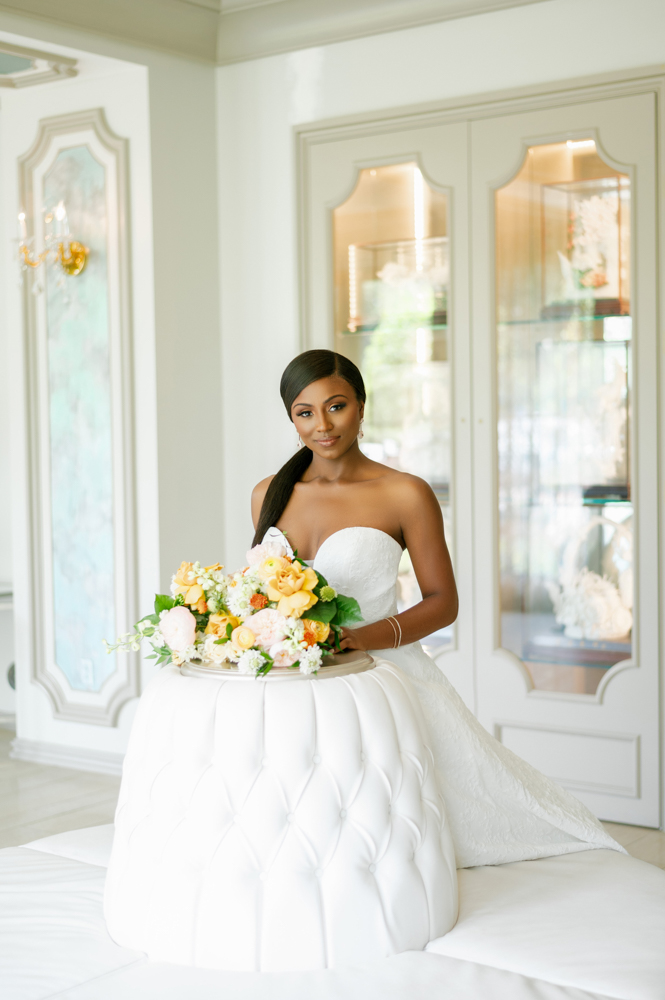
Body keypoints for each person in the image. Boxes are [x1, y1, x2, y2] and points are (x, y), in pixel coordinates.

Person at [251, 348, 621, 868]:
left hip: (378, 674)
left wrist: (359, 638)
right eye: (305, 412)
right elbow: (260, 594)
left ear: (361, 405)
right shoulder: (269, 493)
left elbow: (443, 603)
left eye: (336, 406)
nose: (323, 425)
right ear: (291, 418)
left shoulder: (404, 492)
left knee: (407, 816)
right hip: (293, 683)